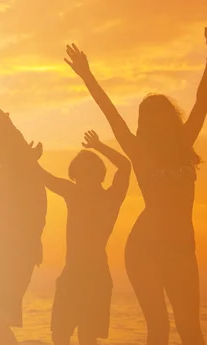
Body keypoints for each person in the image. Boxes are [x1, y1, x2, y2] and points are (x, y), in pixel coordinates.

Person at [64, 34, 207, 345]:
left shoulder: (184, 143)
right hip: (145, 248)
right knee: (159, 329)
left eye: (161, 118)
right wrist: (86, 74)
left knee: (191, 330)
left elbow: (202, 100)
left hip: (182, 248)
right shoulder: (139, 151)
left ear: (171, 119)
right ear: (145, 125)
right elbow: (111, 113)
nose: (156, 126)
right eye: (149, 121)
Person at [0, 83, 46, 345]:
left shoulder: (18, 153)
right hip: (6, 247)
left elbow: (2, 119)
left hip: (16, 249)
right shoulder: (15, 160)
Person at [39, 131, 130, 345]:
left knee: (85, 337)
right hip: (73, 274)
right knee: (61, 335)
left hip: (94, 276)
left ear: (98, 174)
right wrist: (28, 156)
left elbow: (126, 166)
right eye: (79, 176)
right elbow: (45, 178)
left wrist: (98, 146)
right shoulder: (76, 193)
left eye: (86, 174)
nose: (81, 180)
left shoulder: (107, 197)